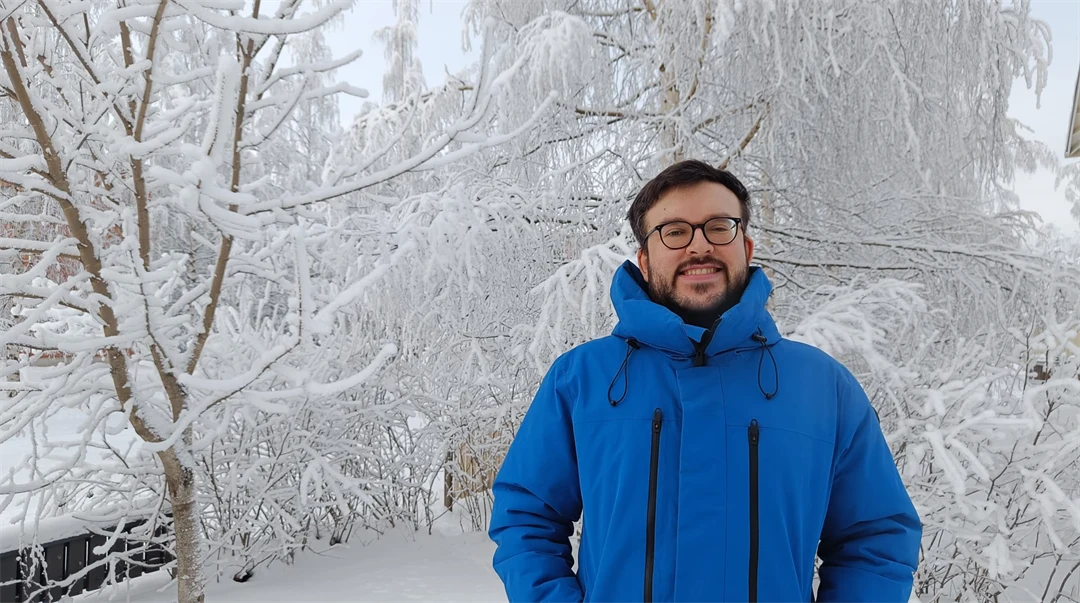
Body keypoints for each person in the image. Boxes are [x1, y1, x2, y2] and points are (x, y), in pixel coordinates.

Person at [488, 160, 922, 603]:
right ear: (644, 257)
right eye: (674, 231)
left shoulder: (823, 388)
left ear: (747, 248)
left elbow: (875, 538)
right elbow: (526, 519)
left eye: (719, 227)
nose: (699, 246)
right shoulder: (581, 379)